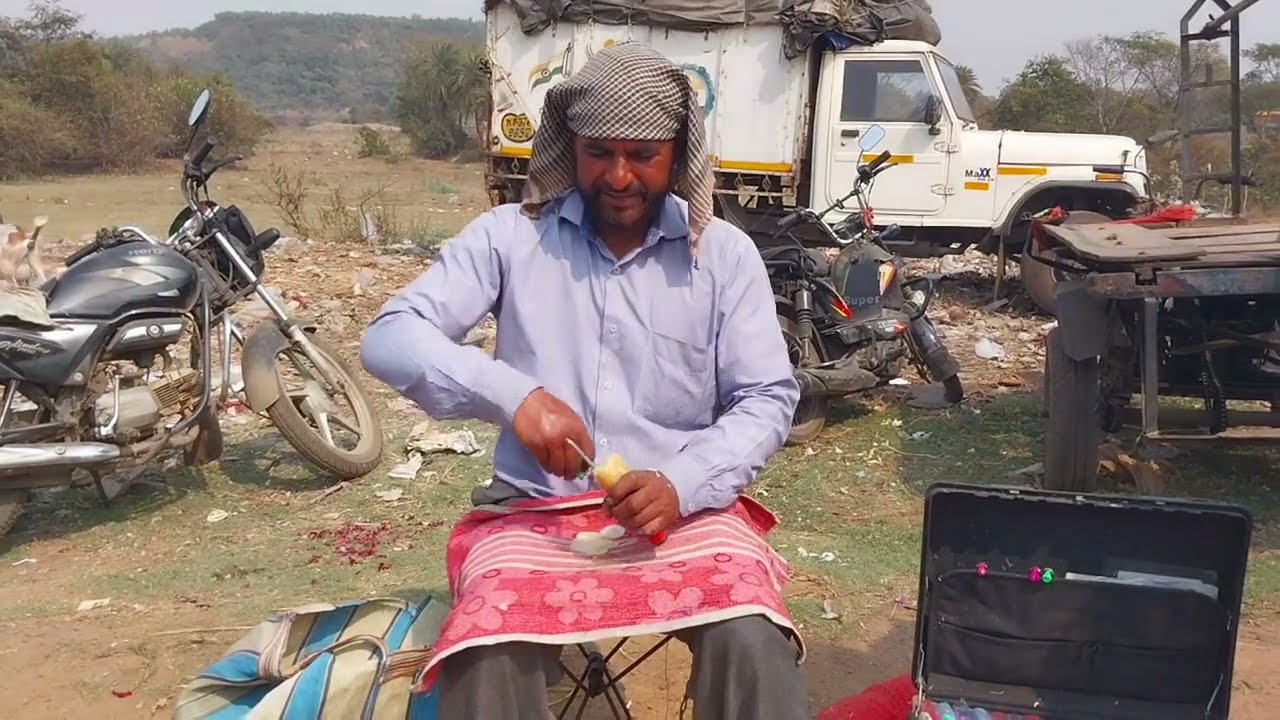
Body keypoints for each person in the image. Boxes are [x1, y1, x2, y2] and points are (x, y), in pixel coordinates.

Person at [361, 41, 807, 719]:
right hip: (533, 512)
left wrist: (680, 483)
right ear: (571, 148)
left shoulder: (724, 257)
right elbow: (390, 338)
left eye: (643, 155)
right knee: (487, 654)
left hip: (685, 515)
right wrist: (516, 397)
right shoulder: (509, 238)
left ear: (677, 153)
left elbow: (767, 399)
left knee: (753, 641)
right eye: (600, 152)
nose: (620, 176)